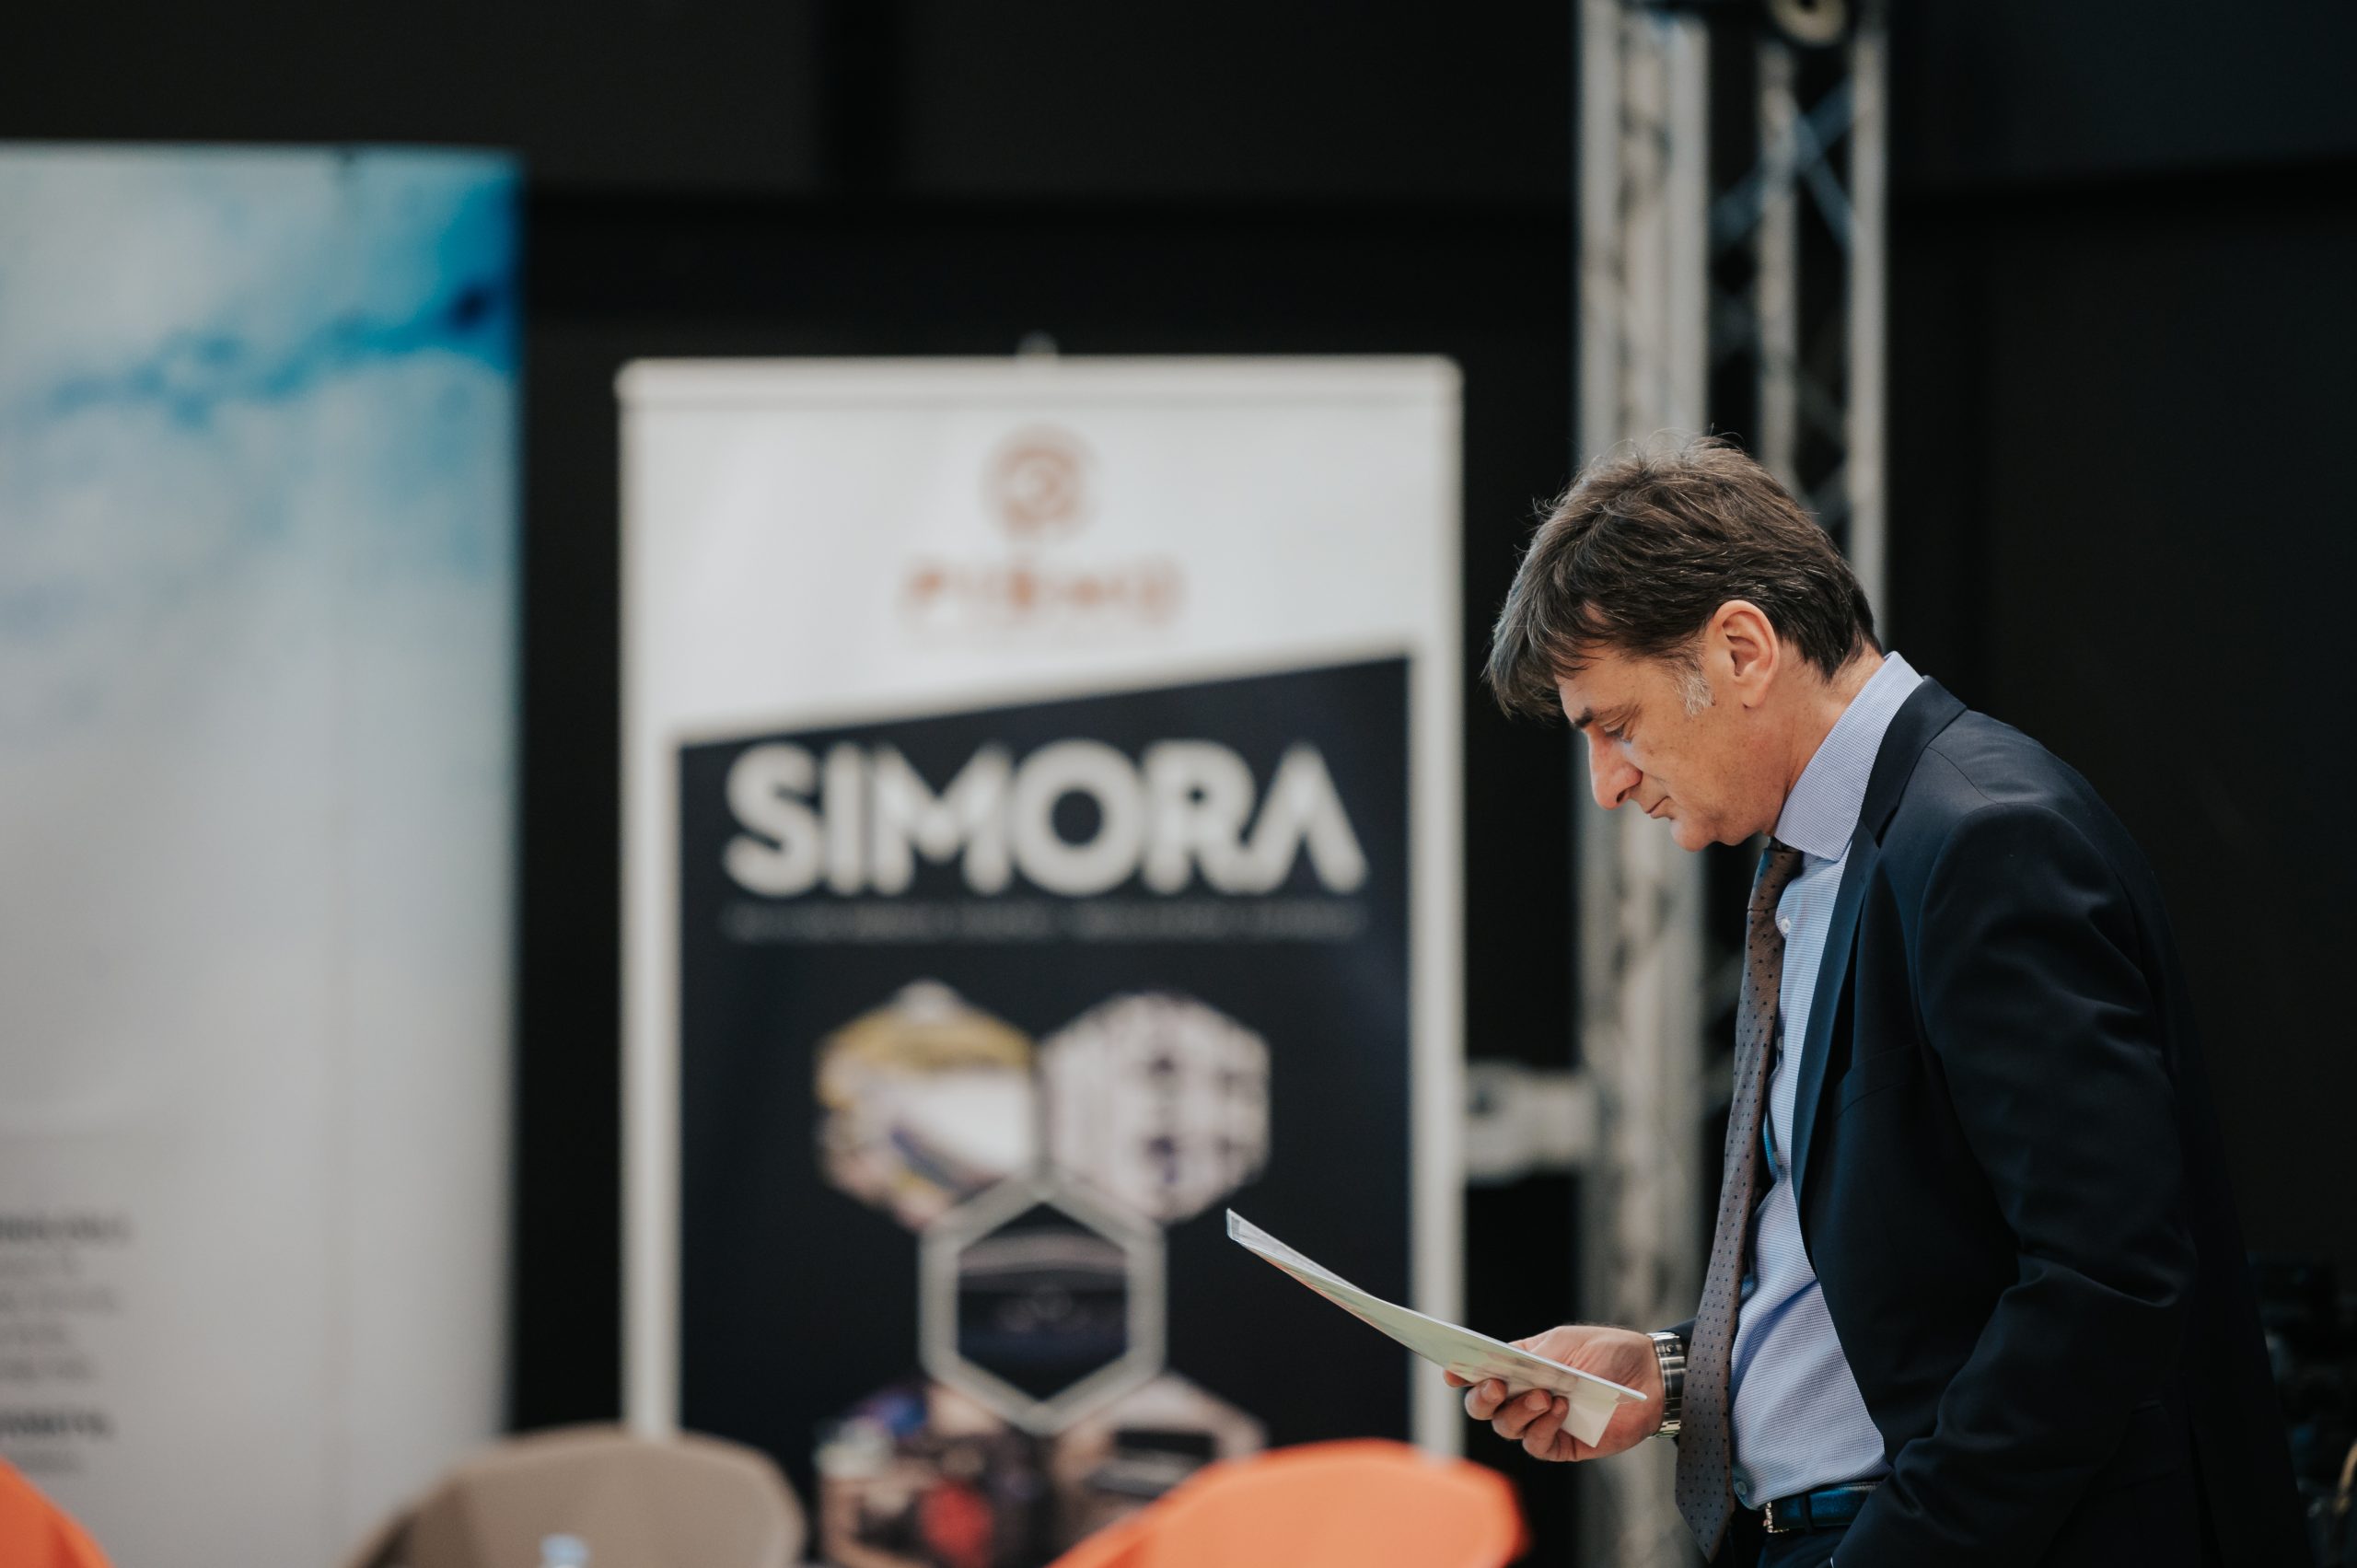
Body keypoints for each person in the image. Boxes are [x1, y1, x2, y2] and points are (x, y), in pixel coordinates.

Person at [1454, 438, 2303, 1566]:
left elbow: (2104, 1282)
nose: (1609, 782)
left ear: (1741, 648)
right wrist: (1673, 1372)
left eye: (1615, 723)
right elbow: (1904, 1274)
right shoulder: (1826, 858)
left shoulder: (1984, 838)